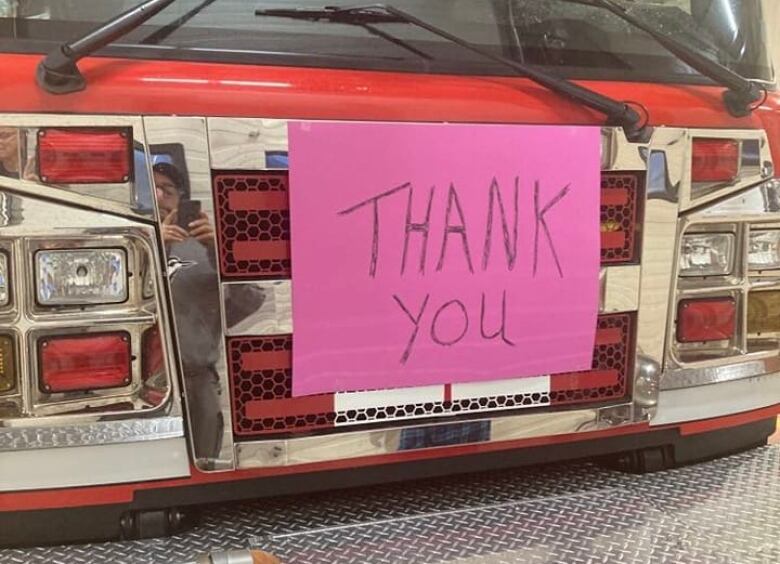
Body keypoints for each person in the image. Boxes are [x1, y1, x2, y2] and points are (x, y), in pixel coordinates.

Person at [153, 161, 224, 465]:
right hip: (147, 384)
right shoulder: (126, 242)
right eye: (151, 188)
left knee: (205, 466)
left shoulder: (204, 247)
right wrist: (157, 248)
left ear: (182, 197)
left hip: (198, 381)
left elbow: (248, 301)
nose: (158, 197)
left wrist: (217, 252)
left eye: (167, 190)